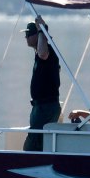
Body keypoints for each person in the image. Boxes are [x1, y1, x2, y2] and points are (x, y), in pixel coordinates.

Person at [23, 16, 61, 151]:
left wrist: (41, 30)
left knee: (32, 145)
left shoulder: (46, 51)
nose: (26, 37)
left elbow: (43, 54)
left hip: (46, 107)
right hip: (40, 107)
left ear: (37, 35)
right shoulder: (39, 53)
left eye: (28, 34)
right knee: (38, 141)